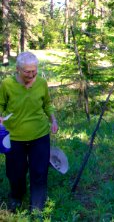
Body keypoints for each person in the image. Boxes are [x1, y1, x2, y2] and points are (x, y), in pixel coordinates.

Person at [0, 52, 59, 212]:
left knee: (39, 171)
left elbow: (47, 104)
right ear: (18, 69)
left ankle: (37, 207)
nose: (31, 75)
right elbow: (1, 104)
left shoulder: (41, 83)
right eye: (27, 71)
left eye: (34, 71)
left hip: (39, 134)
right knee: (15, 173)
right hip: (14, 136)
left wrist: (53, 119)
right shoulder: (7, 84)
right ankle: (16, 197)